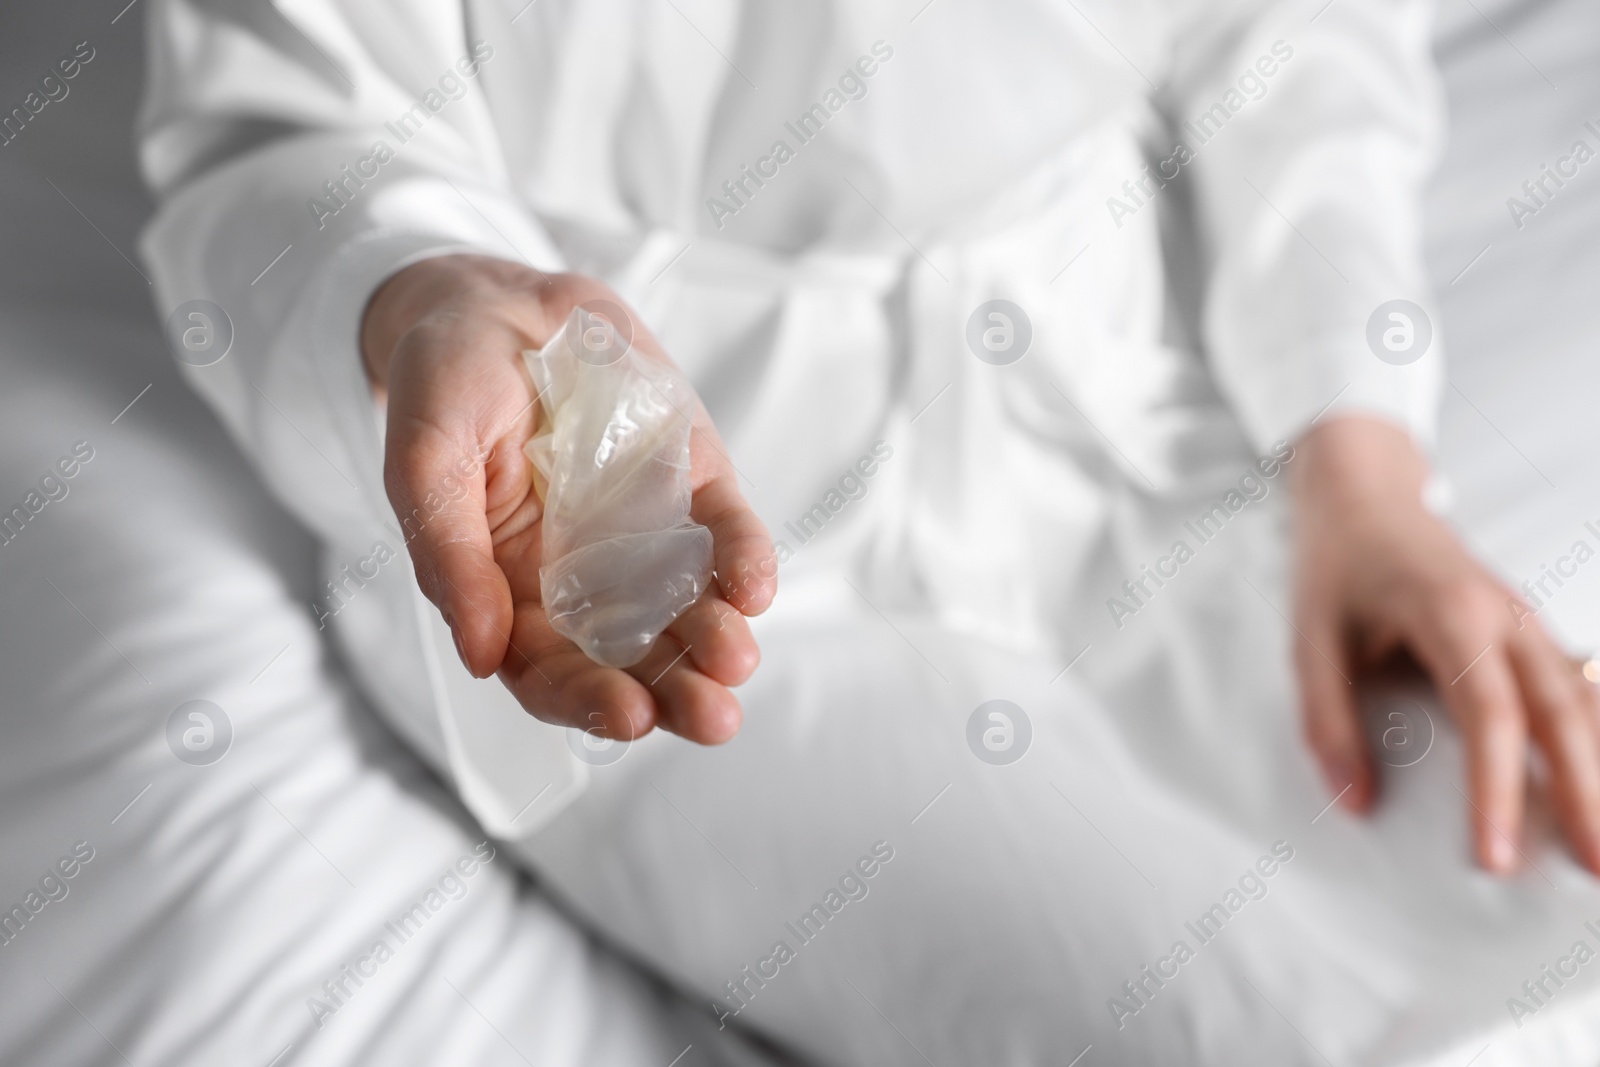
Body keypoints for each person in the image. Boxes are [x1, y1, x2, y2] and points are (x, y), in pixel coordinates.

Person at [138, 0, 1600, 1061]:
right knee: (1218, 1026)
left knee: (1557, 895)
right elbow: (284, 119)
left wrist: (1361, 467)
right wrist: (424, 296)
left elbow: (1291, 34)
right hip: (639, 522)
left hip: (1130, 411)